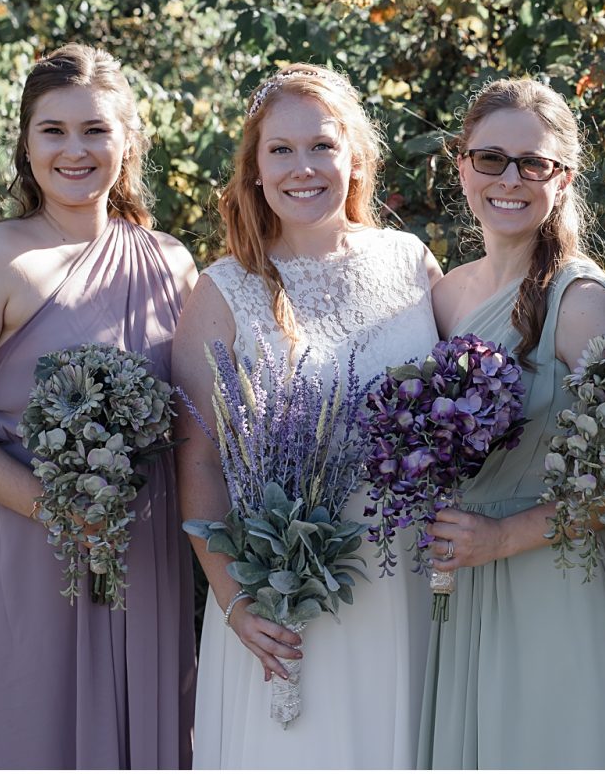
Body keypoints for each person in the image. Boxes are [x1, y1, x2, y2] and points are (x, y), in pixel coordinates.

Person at [0, 44, 197, 770]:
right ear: (25, 143)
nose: (75, 150)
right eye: (52, 130)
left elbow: (196, 423)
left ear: (128, 140)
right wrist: (52, 507)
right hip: (25, 548)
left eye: (95, 130)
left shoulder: (172, 263)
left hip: (143, 552)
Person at [172, 63, 440, 769]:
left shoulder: (410, 262)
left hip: (404, 573)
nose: (304, 168)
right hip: (279, 594)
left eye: (322, 145)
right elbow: (198, 461)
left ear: (355, 156)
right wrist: (237, 605)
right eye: (281, 150)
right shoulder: (223, 289)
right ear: (255, 169)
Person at [418, 78, 605, 770]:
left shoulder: (582, 303)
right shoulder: (446, 293)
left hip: (554, 582)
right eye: (491, 159)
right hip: (458, 584)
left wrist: (503, 536)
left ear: (563, 177)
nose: (509, 179)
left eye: (533, 163)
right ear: (462, 167)